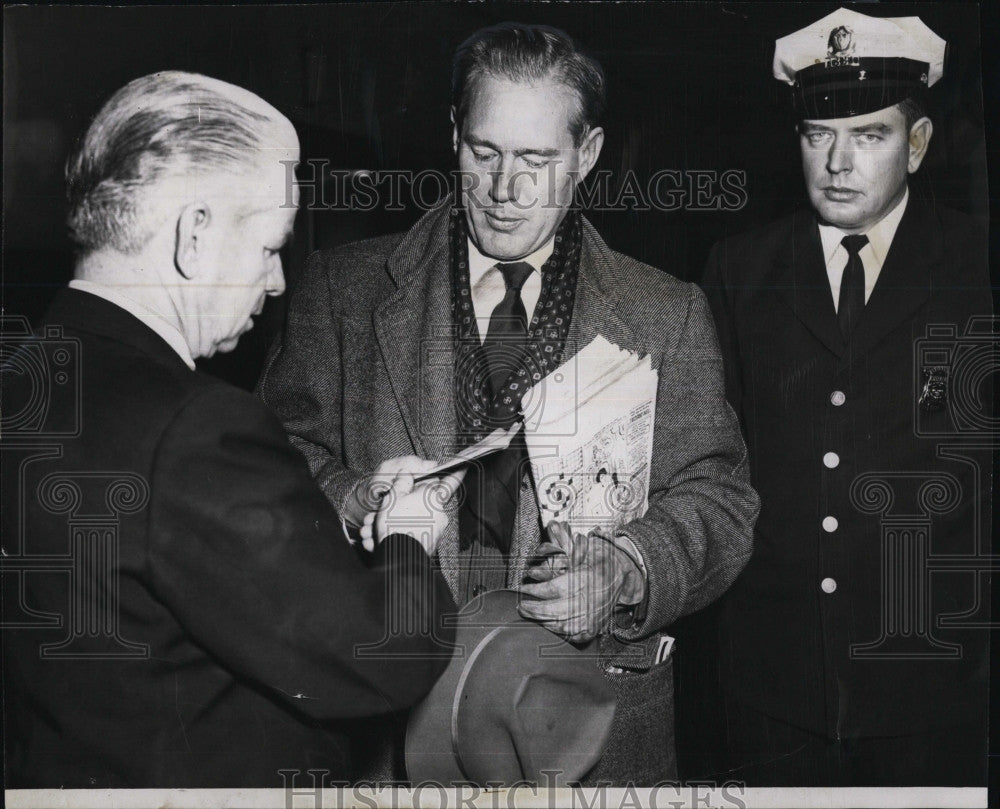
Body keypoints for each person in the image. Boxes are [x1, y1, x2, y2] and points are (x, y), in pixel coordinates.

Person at [259, 23, 757, 784]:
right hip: (387, 728)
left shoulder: (667, 312)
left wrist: (627, 568)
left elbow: (721, 499)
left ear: (587, 155)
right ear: (453, 134)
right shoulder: (341, 291)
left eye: (537, 160)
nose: (504, 189)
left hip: (586, 730)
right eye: (484, 153)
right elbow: (274, 457)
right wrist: (360, 504)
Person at [1, 71, 463, 788]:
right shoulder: (198, 425)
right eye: (270, 246)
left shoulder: (26, 382)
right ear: (195, 233)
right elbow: (383, 656)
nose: (278, 281)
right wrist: (407, 534)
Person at [700, 8, 991, 787]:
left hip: (933, 684)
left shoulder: (977, 265)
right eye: (816, 135)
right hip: (773, 680)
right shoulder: (739, 270)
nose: (837, 161)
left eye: (869, 135)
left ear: (918, 144)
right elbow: (711, 463)